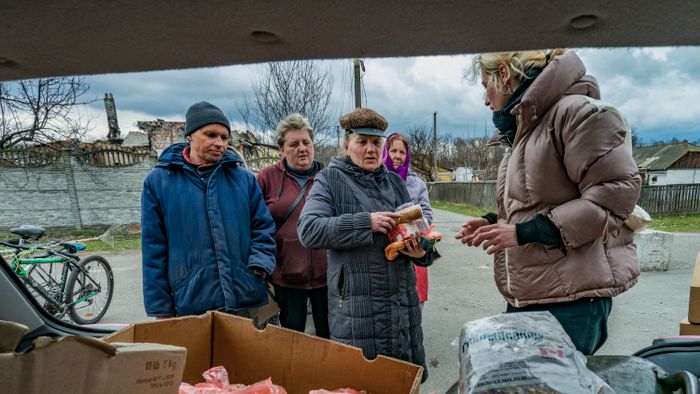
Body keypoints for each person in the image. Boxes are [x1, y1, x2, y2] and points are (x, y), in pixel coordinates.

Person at [455, 49, 642, 355]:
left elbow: (612, 198)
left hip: (571, 302)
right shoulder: (528, 128)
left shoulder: (577, 113)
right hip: (533, 294)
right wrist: (494, 223)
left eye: (484, 85)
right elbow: (538, 202)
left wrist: (521, 233)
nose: (485, 100)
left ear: (504, 74)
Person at [297, 107, 438, 383]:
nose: (370, 149)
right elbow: (309, 230)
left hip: (401, 306)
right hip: (358, 312)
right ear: (346, 144)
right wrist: (366, 223)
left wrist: (422, 252)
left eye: (376, 142)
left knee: (400, 381)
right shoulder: (330, 180)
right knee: (362, 383)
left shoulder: (395, 183)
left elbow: (415, 232)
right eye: (362, 142)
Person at [141, 101, 277, 319]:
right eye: (211, 134)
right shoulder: (158, 182)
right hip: (190, 302)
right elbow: (153, 249)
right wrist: (161, 308)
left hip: (243, 297)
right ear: (190, 135)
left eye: (224, 137)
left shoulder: (244, 180)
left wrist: (258, 267)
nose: (220, 143)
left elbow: (263, 228)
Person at [256, 113, 329, 338]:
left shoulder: (329, 177)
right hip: (286, 278)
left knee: (331, 338)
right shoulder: (266, 178)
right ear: (281, 149)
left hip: (328, 278)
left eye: (306, 142)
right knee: (292, 339)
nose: (302, 148)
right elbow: (255, 225)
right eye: (294, 144)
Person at [382, 132, 433, 309]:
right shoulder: (376, 179)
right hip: (386, 252)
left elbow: (427, 214)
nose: (397, 156)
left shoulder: (417, 183)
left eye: (402, 152)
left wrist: (409, 223)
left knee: (415, 305)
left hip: (413, 246)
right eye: (393, 151)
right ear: (385, 152)